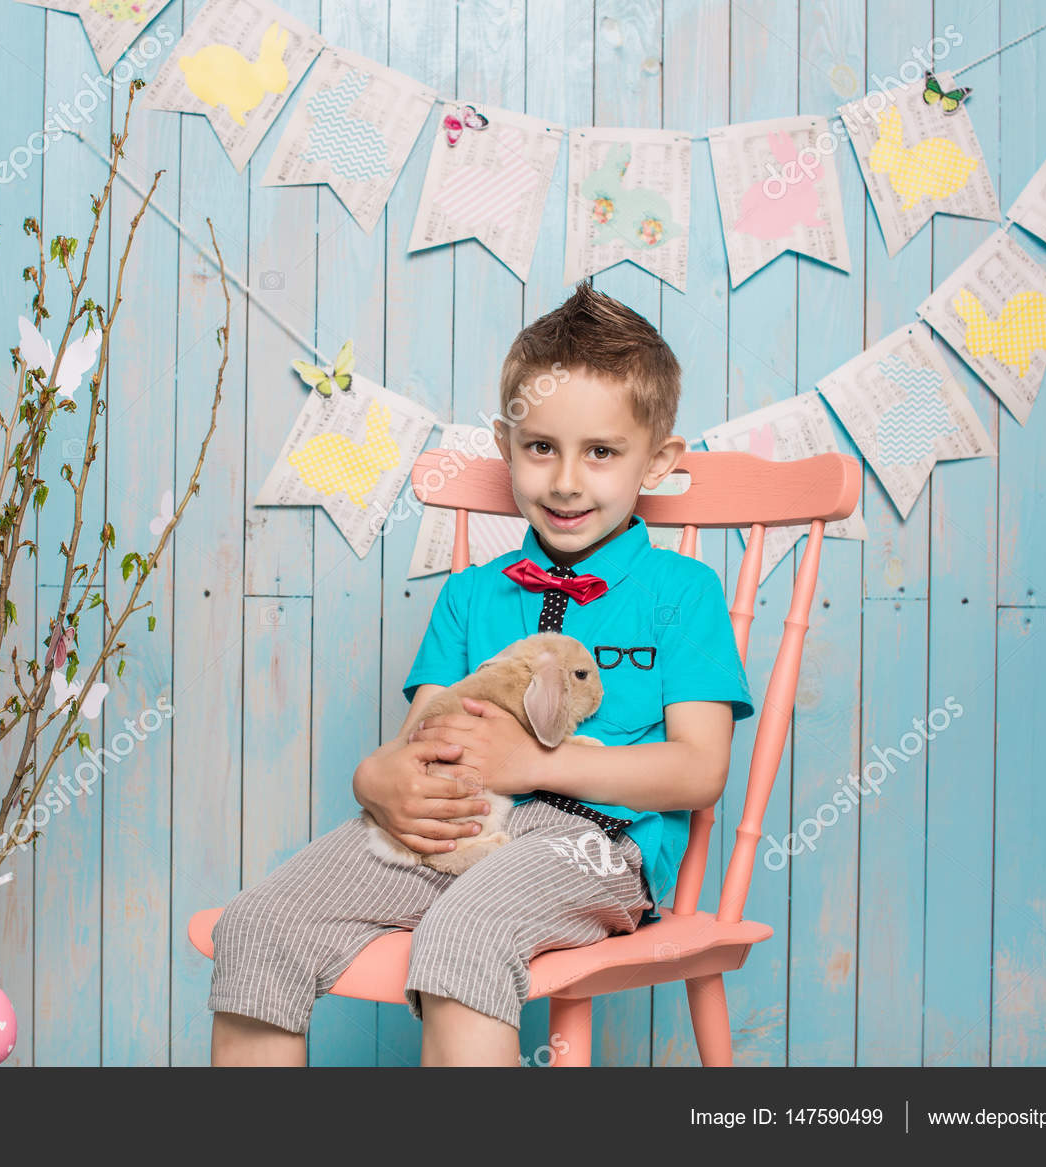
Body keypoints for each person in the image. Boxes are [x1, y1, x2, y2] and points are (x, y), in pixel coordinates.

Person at [208, 280, 755, 1066]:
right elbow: (421, 741)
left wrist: (538, 763)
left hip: (596, 841)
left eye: (601, 452)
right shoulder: (470, 595)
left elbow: (700, 769)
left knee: (463, 933)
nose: (567, 480)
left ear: (658, 461)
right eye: (542, 448)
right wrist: (376, 779)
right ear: (507, 446)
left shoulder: (681, 594)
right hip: (456, 826)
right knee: (258, 926)